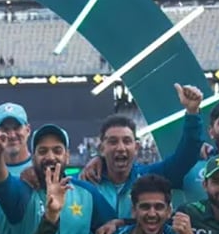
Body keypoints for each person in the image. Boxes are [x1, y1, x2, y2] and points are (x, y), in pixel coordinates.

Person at [80, 85, 205, 217]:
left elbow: (186, 155)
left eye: (127, 141)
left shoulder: (150, 176)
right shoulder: (87, 182)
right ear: (102, 148)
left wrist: (192, 113)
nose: (120, 148)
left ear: (137, 148)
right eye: (113, 141)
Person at [0, 102, 33, 177]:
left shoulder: (41, 167)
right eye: (4, 129)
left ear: (28, 130)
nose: (12, 135)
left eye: (17, 128)